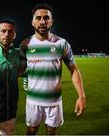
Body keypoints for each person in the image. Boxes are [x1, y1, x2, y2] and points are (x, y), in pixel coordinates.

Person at [20, 3, 86, 135]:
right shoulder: (25, 44)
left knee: (51, 131)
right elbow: (20, 70)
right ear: (32, 22)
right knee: (31, 130)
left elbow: (73, 70)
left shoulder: (62, 43)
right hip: (33, 100)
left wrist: (81, 96)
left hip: (54, 101)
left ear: (52, 21)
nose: (42, 21)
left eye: (46, 18)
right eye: (38, 18)